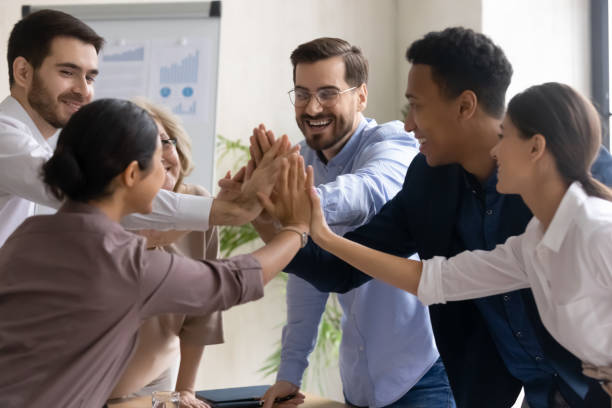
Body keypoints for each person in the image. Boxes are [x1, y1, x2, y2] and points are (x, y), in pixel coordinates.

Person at [276, 28, 612, 407]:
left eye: (416, 106)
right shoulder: (430, 181)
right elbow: (380, 274)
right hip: (516, 391)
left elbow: (367, 190)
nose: (408, 124)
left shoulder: (577, 177)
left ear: (464, 106)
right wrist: (284, 222)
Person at [0, 98, 312, 408]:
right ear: (133, 174)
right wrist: (296, 229)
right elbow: (234, 280)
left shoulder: (23, 238)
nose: (164, 173)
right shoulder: (125, 264)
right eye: (156, 161)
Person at [250, 37, 454, 408]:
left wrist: (297, 204)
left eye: (328, 93)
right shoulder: (299, 163)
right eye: (302, 93)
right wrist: (289, 374)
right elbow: (308, 281)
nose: (312, 108)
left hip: (424, 377)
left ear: (360, 96)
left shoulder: (393, 142)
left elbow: (368, 192)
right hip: (359, 381)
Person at [0, 9, 277, 248]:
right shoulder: (5, 137)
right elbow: (98, 195)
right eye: (67, 72)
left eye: (90, 77)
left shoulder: (37, 144)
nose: (84, 91)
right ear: (23, 72)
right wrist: (227, 210)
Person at [109, 100, 222, 408]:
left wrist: (186, 391)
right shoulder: (110, 214)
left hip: (158, 375)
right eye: (142, 148)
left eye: (163, 142)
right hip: (95, 382)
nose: (158, 156)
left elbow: (204, 309)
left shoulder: (200, 205)